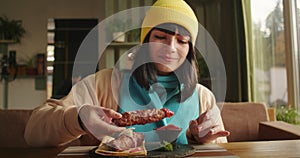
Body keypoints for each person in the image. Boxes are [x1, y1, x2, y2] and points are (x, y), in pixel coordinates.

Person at [24, 0, 230, 147]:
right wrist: (79, 118)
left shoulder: (203, 97)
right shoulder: (102, 84)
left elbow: (221, 148)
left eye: (182, 41)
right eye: (160, 37)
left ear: (190, 49)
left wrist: (200, 140)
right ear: (145, 41)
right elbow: (33, 131)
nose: (172, 48)